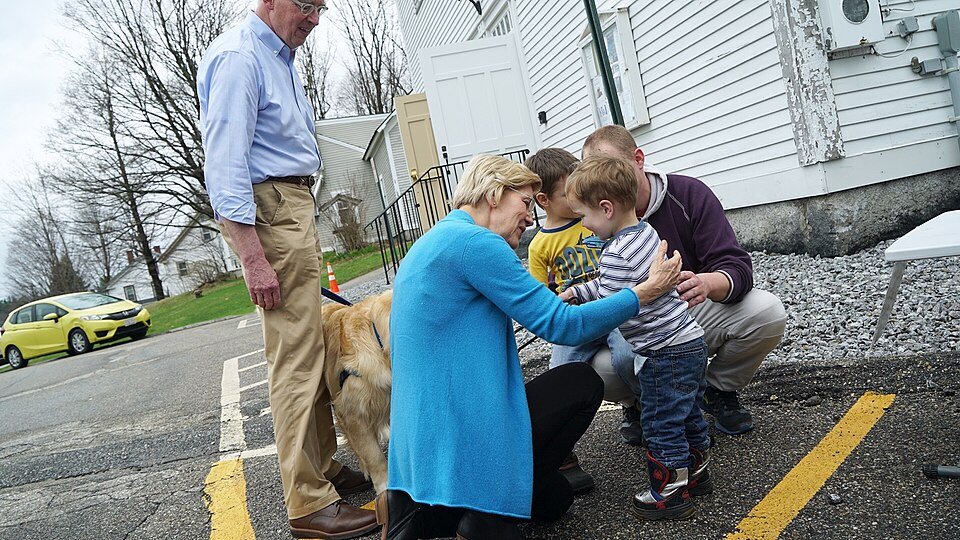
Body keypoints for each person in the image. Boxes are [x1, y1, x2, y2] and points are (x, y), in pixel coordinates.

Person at [375, 154, 682, 539]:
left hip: (421, 450)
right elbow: (562, 326)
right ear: (492, 194)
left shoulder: (431, 243)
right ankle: (482, 517)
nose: (529, 216)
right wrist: (644, 292)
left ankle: (417, 514)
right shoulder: (478, 244)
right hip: (466, 434)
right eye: (524, 201)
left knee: (556, 501)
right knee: (581, 381)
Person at [197, 1, 379, 538]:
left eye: (321, 6)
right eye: (307, 5)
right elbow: (224, 164)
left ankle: (321, 469)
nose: (316, 17)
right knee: (295, 359)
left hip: (290, 205)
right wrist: (252, 256)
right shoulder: (240, 56)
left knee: (313, 347)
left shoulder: (278, 57)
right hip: (271, 212)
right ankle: (307, 503)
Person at [582, 125, 787, 436]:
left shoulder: (688, 194)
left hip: (686, 312)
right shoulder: (589, 217)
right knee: (599, 368)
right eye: (594, 172)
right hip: (634, 323)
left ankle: (715, 390)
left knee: (767, 312)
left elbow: (737, 267)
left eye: (614, 168)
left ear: (639, 159)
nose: (604, 182)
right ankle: (643, 405)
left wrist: (706, 282)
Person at [561, 156, 711, 520]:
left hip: (663, 353)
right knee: (687, 411)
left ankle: (669, 492)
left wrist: (575, 308)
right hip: (689, 341)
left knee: (659, 421)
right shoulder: (644, 233)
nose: (584, 225)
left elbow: (612, 302)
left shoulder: (615, 253)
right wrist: (578, 291)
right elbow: (613, 286)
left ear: (606, 209)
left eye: (584, 216)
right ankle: (697, 474)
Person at [523, 148, 644, 489]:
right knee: (560, 373)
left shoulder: (594, 219)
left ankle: (648, 407)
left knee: (627, 357)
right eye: (566, 193)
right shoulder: (539, 246)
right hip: (577, 320)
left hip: (614, 309)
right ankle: (562, 453)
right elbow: (538, 295)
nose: (577, 199)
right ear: (544, 199)